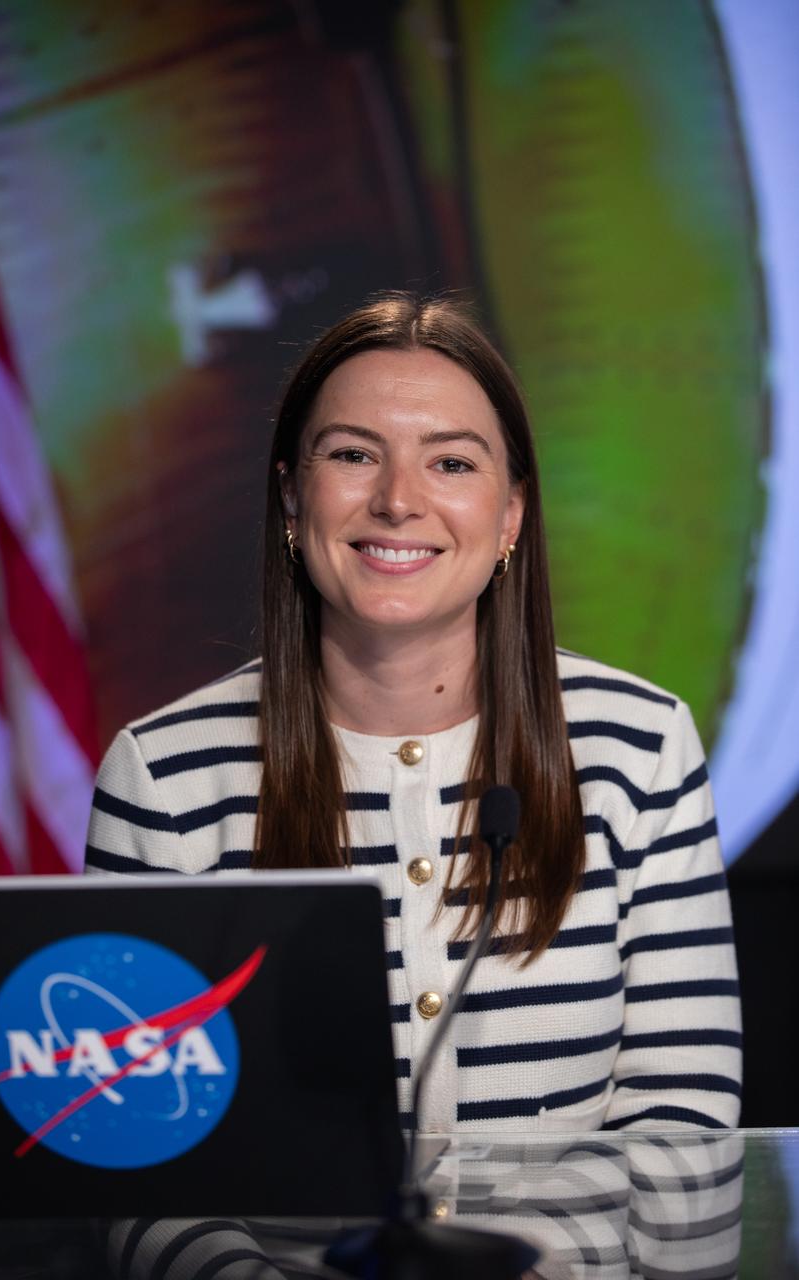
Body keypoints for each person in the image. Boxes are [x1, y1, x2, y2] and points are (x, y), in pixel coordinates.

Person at [86, 292, 741, 1134]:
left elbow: (682, 1112)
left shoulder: (641, 746)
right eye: (355, 455)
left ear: (510, 514)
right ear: (292, 499)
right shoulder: (163, 777)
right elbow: (139, 1141)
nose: (398, 501)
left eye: (453, 464)